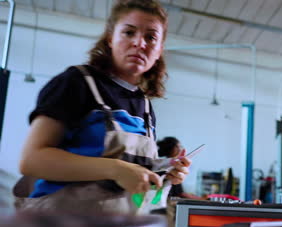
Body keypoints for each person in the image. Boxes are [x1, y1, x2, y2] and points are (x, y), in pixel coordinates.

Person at [17, 0, 190, 213]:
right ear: (110, 39)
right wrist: (115, 169)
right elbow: (32, 160)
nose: (140, 43)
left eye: (151, 37)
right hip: (59, 226)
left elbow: (133, 177)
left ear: (159, 50)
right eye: (129, 32)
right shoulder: (77, 82)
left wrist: (164, 172)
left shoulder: (144, 105)